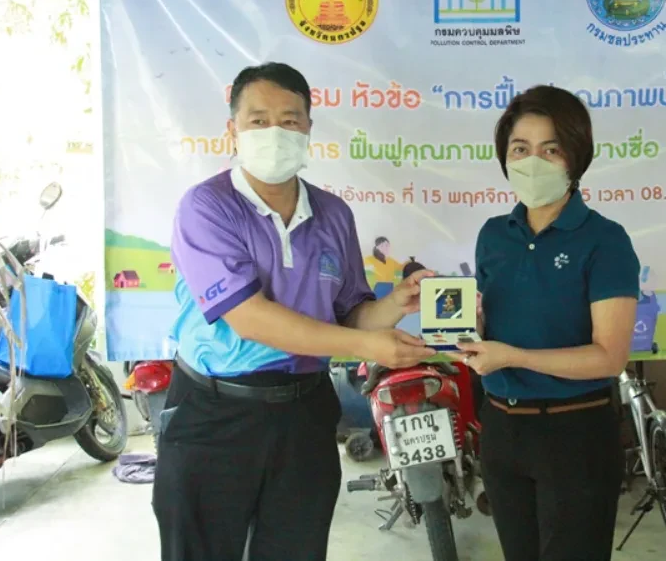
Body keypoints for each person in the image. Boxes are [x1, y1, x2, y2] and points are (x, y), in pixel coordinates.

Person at [152, 62, 435, 561]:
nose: (275, 132)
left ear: (308, 129)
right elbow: (249, 317)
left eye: (289, 120)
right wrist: (366, 346)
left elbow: (350, 315)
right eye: (258, 120)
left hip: (304, 414)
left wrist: (394, 304)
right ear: (232, 131)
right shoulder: (206, 207)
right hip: (214, 415)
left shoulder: (333, 214)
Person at [462, 85, 640, 561]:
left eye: (550, 148)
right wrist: (472, 331)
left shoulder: (605, 240)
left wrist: (514, 357)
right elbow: (492, 332)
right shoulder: (494, 236)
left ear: (575, 158)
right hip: (501, 430)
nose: (532, 161)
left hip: (575, 433)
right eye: (520, 149)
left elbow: (610, 356)